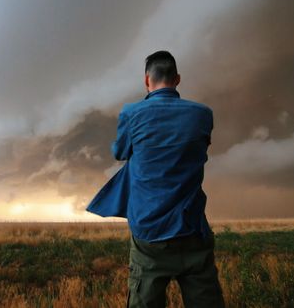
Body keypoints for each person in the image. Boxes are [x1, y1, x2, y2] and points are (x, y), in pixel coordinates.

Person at [86, 50, 225, 307]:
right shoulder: (203, 114)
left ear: (146, 81)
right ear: (178, 79)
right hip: (192, 227)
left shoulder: (132, 113)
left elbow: (120, 152)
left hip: (149, 232)